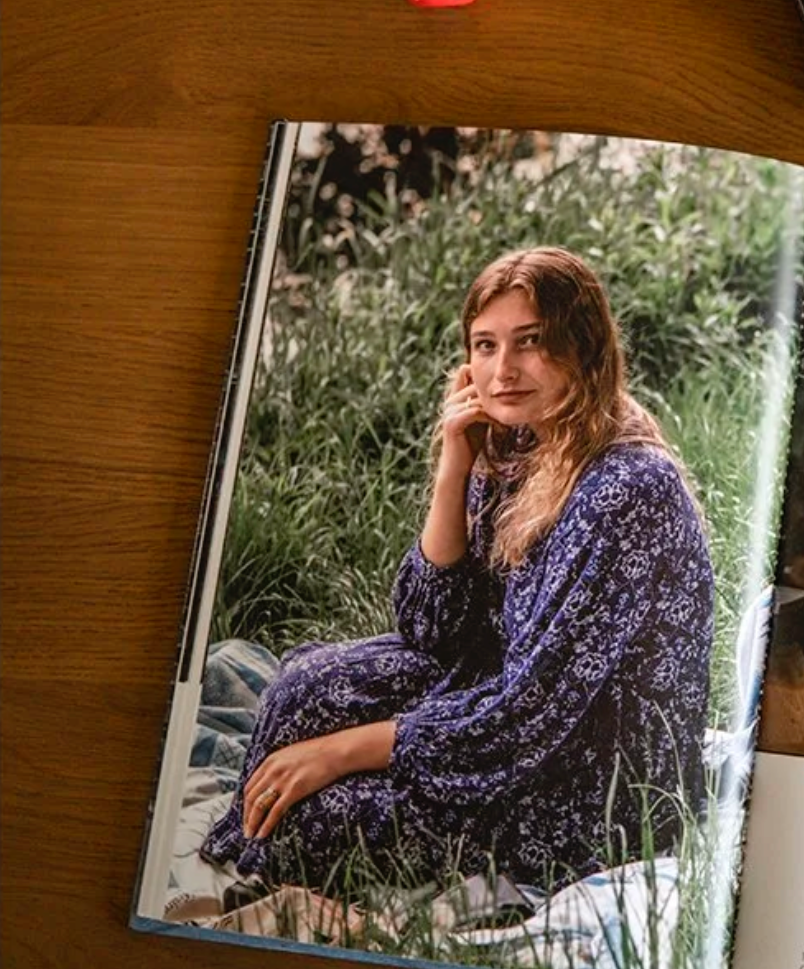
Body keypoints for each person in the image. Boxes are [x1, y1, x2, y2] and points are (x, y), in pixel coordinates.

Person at [202, 247, 714, 893]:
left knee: (316, 816)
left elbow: (531, 713)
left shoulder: (628, 490)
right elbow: (434, 630)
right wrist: (455, 465)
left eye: (531, 342)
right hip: (504, 698)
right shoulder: (521, 438)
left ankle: (269, 861)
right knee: (302, 690)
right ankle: (256, 849)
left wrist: (341, 752)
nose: (503, 370)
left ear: (583, 347)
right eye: (485, 345)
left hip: (592, 778)